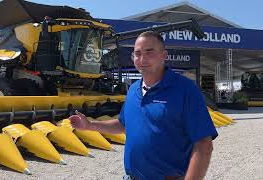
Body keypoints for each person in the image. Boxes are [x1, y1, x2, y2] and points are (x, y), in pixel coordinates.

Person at [69, 31, 218, 180]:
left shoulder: (185, 89)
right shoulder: (133, 89)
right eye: (137, 53)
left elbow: (204, 144)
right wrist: (89, 125)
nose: (142, 58)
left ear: (164, 55)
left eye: (149, 52)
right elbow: (123, 125)